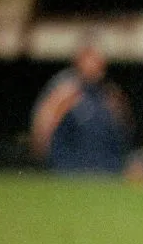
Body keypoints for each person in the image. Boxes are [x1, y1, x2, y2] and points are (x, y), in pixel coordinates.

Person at [30, 40, 132, 174]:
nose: (94, 65)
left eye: (98, 60)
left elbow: (124, 130)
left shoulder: (109, 92)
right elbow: (42, 127)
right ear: (78, 61)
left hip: (104, 167)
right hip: (68, 166)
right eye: (90, 59)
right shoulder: (64, 89)